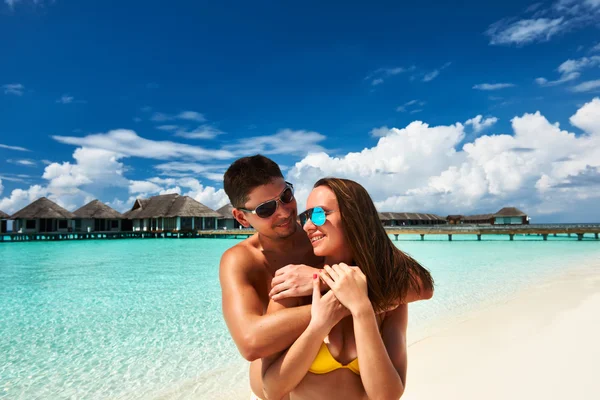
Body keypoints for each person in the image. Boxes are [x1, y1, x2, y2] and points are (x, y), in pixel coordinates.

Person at [219, 155, 434, 399]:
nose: (284, 213)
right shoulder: (244, 261)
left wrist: (323, 278)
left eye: (286, 197)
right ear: (240, 218)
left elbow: (422, 285)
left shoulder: (320, 240)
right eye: (266, 209)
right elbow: (251, 342)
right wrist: (338, 305)